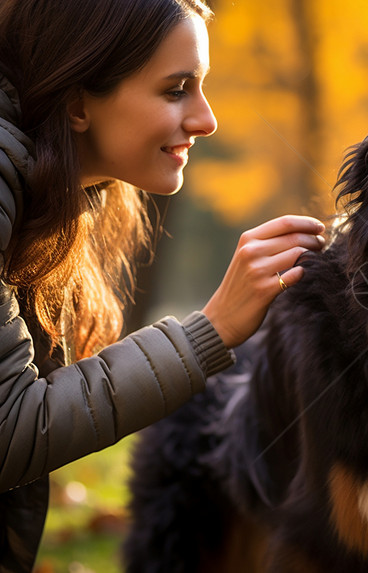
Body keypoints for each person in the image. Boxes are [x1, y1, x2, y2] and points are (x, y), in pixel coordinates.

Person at [0, 0, 326, 569]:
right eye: (176, 89)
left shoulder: (57, 197)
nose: (206, 120)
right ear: (78, 101)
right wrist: (214, 328)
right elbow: (9, 432)